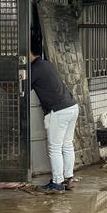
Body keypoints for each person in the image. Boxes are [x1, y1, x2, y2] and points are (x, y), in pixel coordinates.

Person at [30, 47, 80, 192]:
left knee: (55, 147)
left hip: (58, 111)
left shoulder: (35, 68)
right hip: (72, 106)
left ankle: (57, 183)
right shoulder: (46, 64)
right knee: (67, 144)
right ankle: (68, 178)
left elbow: (22, 87)